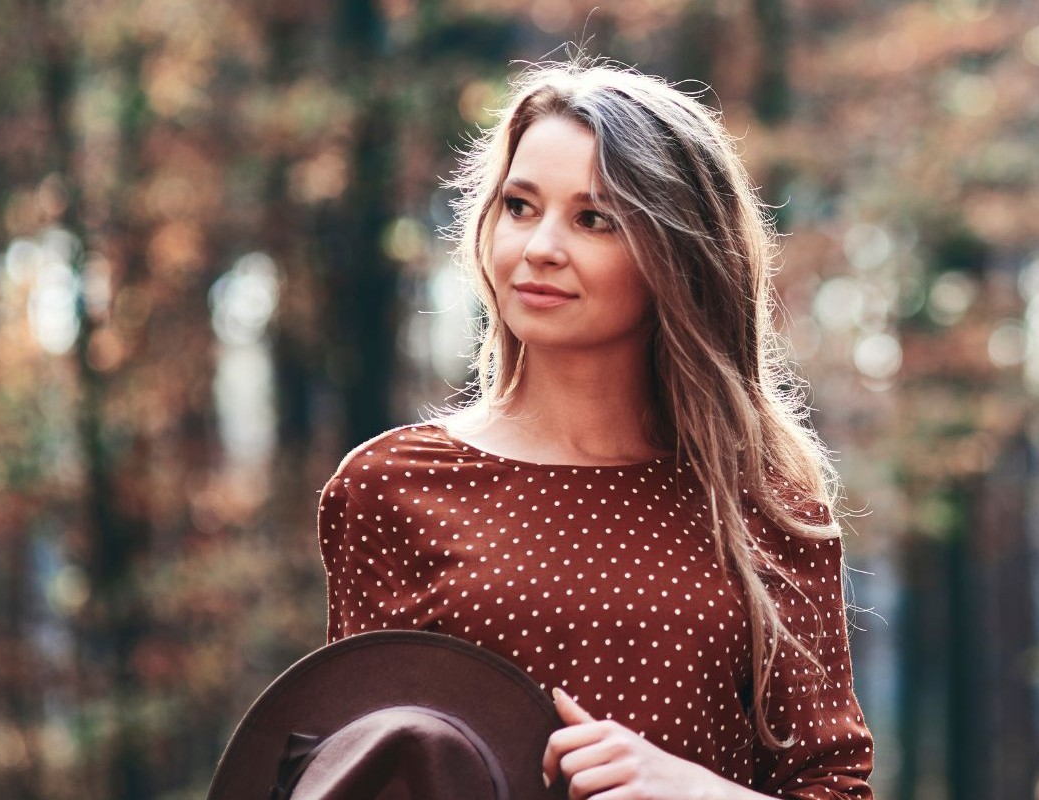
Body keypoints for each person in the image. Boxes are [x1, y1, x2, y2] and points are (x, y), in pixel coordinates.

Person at [313, 57, 873, 799]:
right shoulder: (392, 488)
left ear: (679, 256)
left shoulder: (766, 506)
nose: (540, 247)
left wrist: (691, 790)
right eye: (519, 206)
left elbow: (832, 784)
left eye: (593, 219)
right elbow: (355, 771)